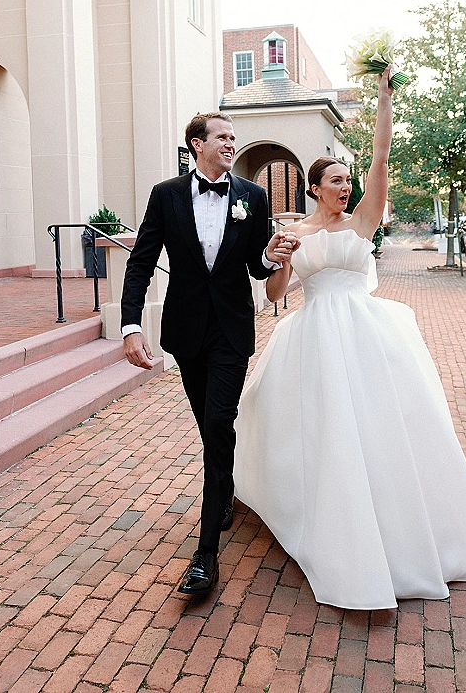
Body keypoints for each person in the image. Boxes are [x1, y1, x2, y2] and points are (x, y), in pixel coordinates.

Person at [233, 67, 466, 609]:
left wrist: (383, 101)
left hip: (364, 330)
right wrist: (277, 261)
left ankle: (398, 523)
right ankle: (326, 515)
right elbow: (278, 291)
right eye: (335, 180)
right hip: (313, 336)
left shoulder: (361, 222)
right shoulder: (292, 233)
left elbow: (380, 159)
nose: (345, 186)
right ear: (314, 188)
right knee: (325, 429)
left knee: (382, 425)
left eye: (346, 180)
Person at [120, 112, 293, 596]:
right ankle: (225, 489)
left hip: (232, 331)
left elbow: (258, 268)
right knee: (210, 425)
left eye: (234, 137)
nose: (231, 144)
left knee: (218, 421)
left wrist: (272, 254)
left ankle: (205, 555)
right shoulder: (166, 195)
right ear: (197, 144)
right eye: (223, 137)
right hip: (187, 330)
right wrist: (131, 324)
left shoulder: (253, 197)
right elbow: (141, 261)